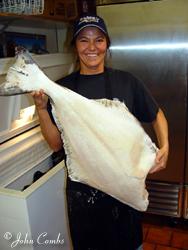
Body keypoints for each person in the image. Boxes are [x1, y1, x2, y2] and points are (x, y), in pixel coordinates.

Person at [32, 14, 169, 250]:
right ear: (75, 46)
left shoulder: (126, 82)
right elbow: (56, 145)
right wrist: (42, 110)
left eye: (99, 39)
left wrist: (165, 147)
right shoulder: (63, 90)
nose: (92, 47)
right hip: (84, 196)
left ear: (107, 44)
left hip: (124, 189)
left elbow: (156, 114)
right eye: (84, 40)